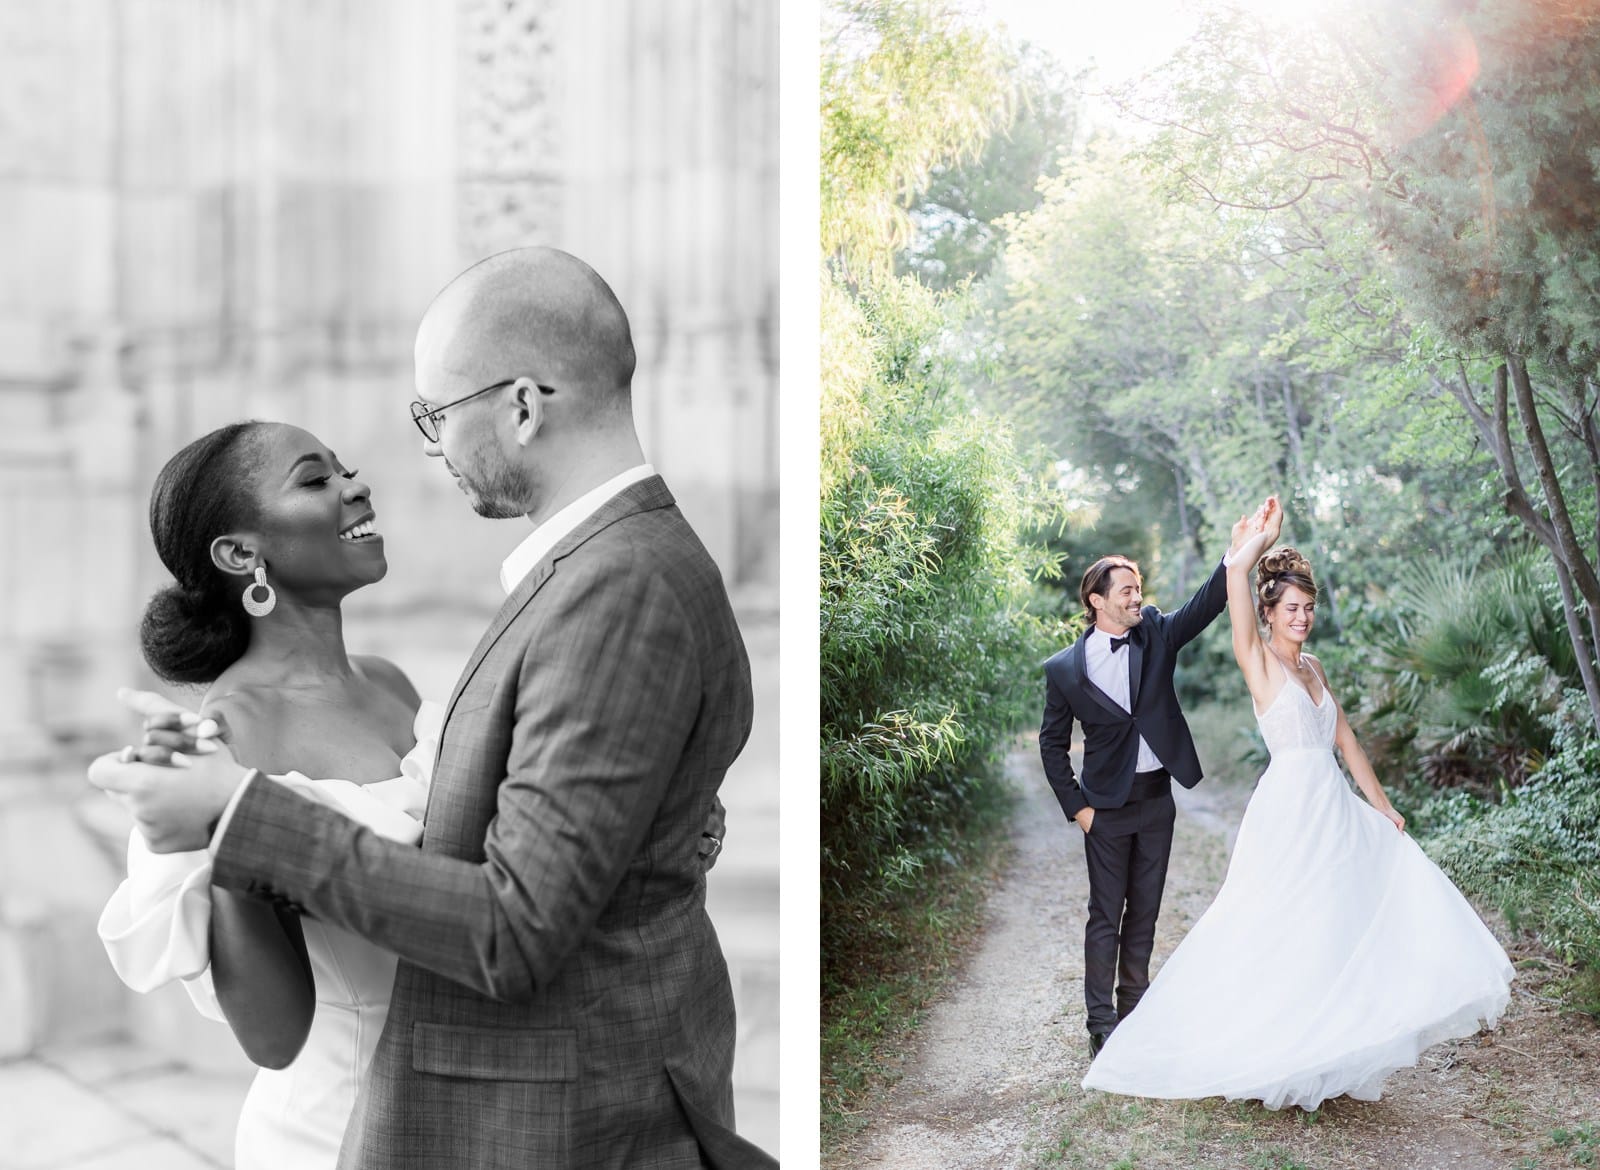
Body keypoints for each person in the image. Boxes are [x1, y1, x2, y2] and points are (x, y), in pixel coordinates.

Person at [90, 246, 775, 1169]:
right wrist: (203, 834)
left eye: (434, 417)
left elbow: (515, 873)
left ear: (523, 405)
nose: (363, 481)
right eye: (314, 479)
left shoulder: (411, 683)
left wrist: (658, 819)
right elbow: (277, 1034)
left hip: (481, 1099)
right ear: (241, 554)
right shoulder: (225, 737)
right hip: (339, 1124)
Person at [1082, 500, 1515, 1110]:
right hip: (1287, 810)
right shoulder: (1257, 660)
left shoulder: (1314, 667)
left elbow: (1346, 740)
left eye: (1309, 608)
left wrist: (1384, 805)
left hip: (1333, 806)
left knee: (1334, 919)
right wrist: (1255, 543)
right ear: (1269, 612)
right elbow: (1233, 586)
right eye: (1292, 608)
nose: (1303, 618)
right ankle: (1263, 1044)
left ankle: (1326, 1048)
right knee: (1274, 922)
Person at [1040, 504, 1269, 1058]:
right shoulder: (1064, 669)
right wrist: (1080, 809)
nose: (1135, 595)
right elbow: (1051, 744)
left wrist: (1236, 555)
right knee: (1105, 915)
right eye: (1125, 589)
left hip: (1156, 801)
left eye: (1138, 586)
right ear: (1097, 600)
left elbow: (1205, 605)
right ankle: (1101, 1025)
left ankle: (1134, 1012)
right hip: (1105, 808)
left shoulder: (1157, 633)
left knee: (1145, 910)